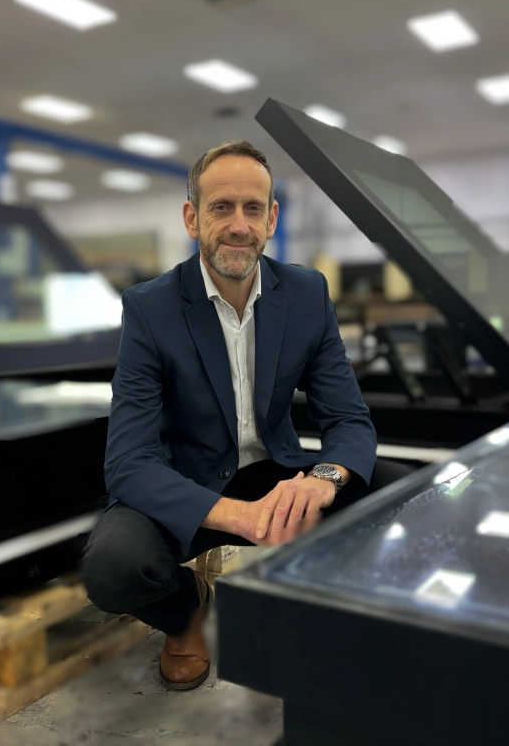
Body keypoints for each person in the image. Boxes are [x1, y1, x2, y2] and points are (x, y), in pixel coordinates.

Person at [82, 140, 408, 691]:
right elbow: (129, 462)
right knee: (113, 569)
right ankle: (188, 613)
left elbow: (349, 421)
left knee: (406, 496)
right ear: (192, 217)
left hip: (275, 470)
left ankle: (339, 606)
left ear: (272, 218)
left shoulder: (306, 293)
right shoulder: (150, 307)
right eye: (221, 207)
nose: (238, 225)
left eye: (253, 208)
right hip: (182, 481)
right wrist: (240, 516)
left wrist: (323, 480)